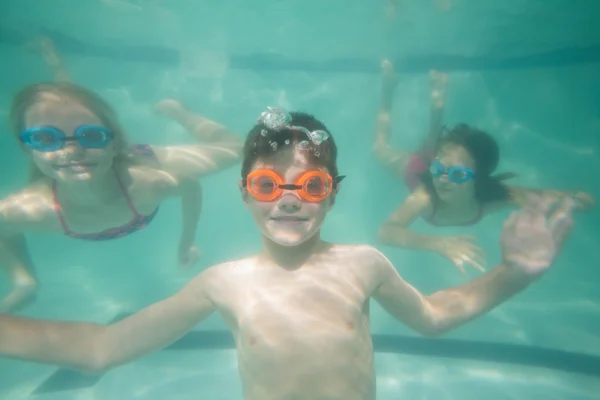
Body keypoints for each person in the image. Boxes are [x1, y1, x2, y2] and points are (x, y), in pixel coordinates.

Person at [0, 108, 576, 400]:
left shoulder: (364, 263)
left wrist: (513, 275)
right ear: (244, 192)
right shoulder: (223, 282)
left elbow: (434, 315)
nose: (290, 202)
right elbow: (103, 346)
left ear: (333, 193)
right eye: (269, 187)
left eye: (312, 186)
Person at [0, 38, 244, 312]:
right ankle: (56, 65)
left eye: (90, 135)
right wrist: (24, 280)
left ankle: (179, 112)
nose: (71, 150)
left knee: (238, 149)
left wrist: (187, 242)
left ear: (114, 141)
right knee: (68, 104)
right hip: (102, 158)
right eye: (45, 138)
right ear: (26, 147)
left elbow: (190, 187)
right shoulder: (26, 209)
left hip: (138, 159)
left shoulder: (149, 183)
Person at [372, 60, 594, 274]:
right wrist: (439, 244)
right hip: (417, 171)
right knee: (381, 150)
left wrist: (571, 199)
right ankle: (389, 88)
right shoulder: (425, 196)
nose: (443, 180)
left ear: (479, 179)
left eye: (458, 175)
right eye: (440, 172)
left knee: (432, 147)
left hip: (435, 163)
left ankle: (435, 100)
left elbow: (536, 196)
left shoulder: (490, 199)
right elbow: (386, 231)